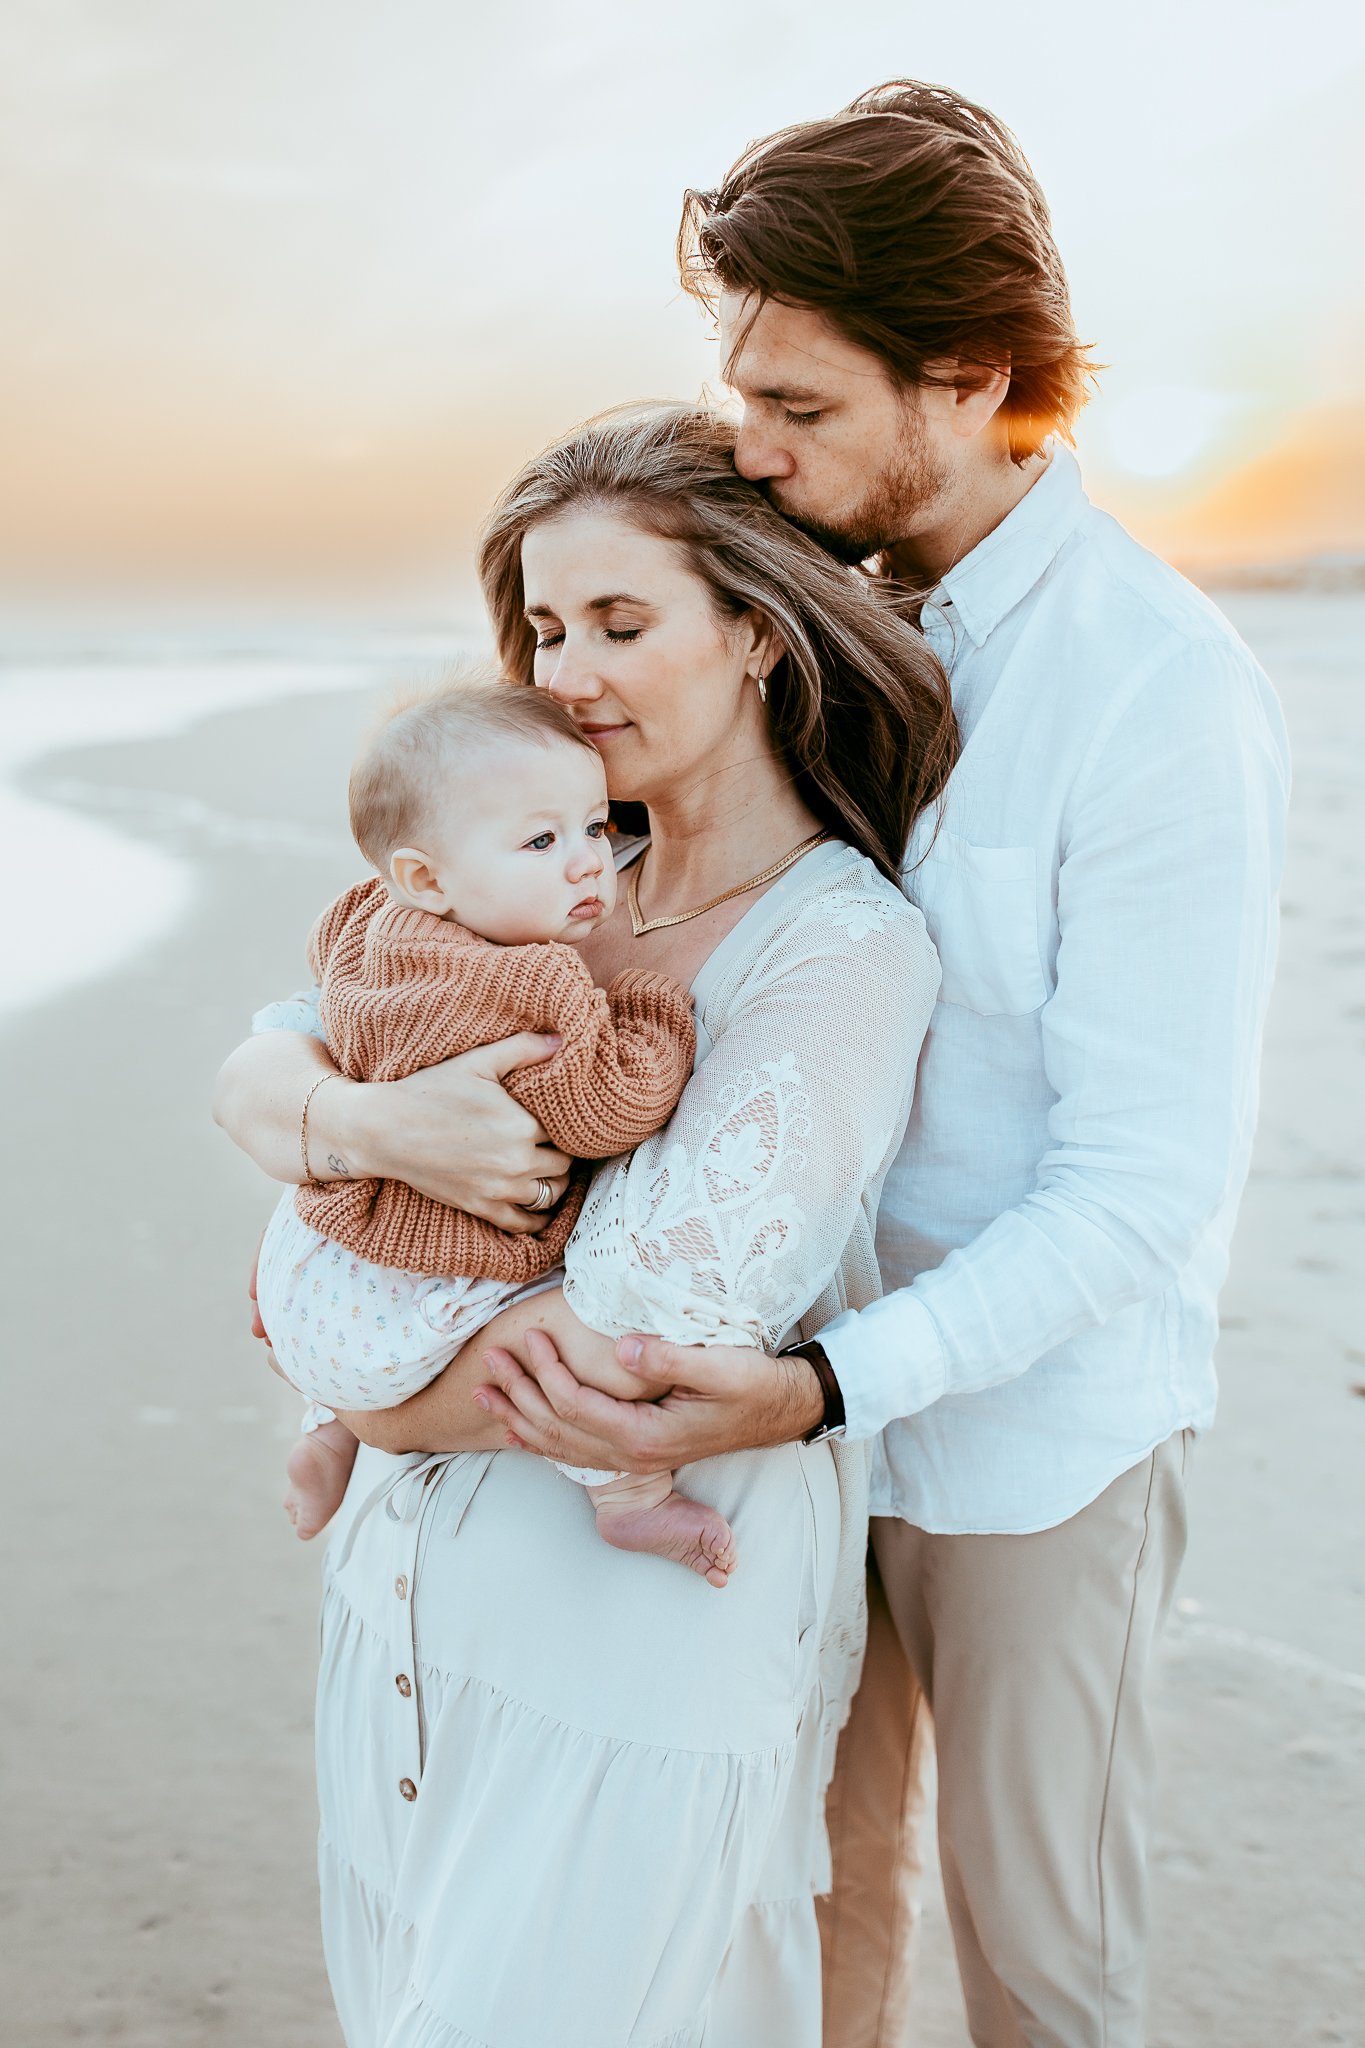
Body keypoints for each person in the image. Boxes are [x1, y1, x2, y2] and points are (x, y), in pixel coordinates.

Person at [473, 82, 1292, 2048]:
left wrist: (829, 1384)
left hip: (1026, 1447)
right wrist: (332, 1112)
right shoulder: (773, 612)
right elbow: (545, 910)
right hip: (763, 1423)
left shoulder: (1156, 689)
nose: (753, 448)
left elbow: (1142, 1187)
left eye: (801, 405)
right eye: (740, 395)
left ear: (972, 377)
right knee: (796, 1918)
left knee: (1040, 1969)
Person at [213, 399, 955, 2046]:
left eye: (622, 621)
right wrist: (350, 1125)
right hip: (406, 1604)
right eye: (547, 628)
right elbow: (276, 1058)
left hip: (625, 1653)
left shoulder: (838, 947)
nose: (569, 673)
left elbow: (634, 1331)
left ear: (757, 633)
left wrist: (352, 1376)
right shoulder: (534, 870)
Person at [253, 674, 740, 1582]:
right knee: (593, 1336)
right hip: (423, 1290)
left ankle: (324, 1435)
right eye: (540, 841)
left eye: (595, 827)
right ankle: (628, 1498)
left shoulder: (361, 922)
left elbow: (317, 1001)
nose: (588, 863)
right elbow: (608, 1111)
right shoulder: (534, 982)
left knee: (364, 1340)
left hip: (311, 1266)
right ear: (426, 877)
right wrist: (649, 1012)